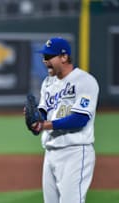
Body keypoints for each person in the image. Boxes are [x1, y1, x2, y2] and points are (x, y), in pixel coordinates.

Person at [32, 37, 99, 203]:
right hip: (50, 153)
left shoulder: (85, 81)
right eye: (44, 57)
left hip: (75, 152)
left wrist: (46, 125)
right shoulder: (48, 83)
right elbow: (44, 111)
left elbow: (80, 119)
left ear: (64, 57)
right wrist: (35, 120)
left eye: (49, 57)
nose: (45, 61)